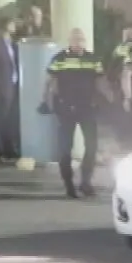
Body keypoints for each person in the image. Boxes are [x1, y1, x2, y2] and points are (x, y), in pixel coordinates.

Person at [43, 27, 102, 200]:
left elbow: (100, 81)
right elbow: (48, 81)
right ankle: (68, 183)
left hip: (87, 108)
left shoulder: (93, 59)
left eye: (82, 39)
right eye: (76, 39)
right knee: (65, 149)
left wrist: (106, 99)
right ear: (70, 41)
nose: (79, 42)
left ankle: (86, 181)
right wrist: (44, 100)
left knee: (92, 146)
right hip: (65, 108)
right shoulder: (59, 59)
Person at [0, 16, 22, 161]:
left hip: (13, 84)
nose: (14, 26)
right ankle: (0, 149)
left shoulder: (12, 44)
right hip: (3, 85)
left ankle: (10, 148)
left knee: (10, 117)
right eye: (12, 23)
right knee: (1, 117)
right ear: (5, 25)